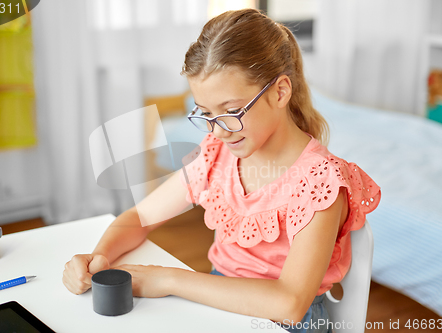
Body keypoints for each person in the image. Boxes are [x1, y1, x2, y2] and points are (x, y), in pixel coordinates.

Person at [62, 8, 381, 333]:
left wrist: (169, 278)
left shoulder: (319, 182)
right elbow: (139, 217)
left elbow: (290, 304)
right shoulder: (218, 157)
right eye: (205, 113)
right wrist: (99, 257)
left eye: (231, 111)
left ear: (280, 92)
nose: (216, 132)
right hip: (219, 305)